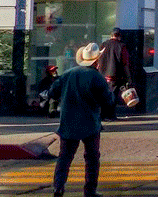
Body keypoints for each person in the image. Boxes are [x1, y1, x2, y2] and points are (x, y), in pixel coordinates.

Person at [49, 42, 114, 197]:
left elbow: (53, 92)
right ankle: (90, 191)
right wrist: (111, 91)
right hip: (90, 124)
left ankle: (58, 186)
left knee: (64, 157)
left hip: (68, 123)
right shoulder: (97, 77)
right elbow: (107, 101)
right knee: (92, 158)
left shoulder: (68, 74)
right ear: (97, 61)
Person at [96, 28, 131, 121]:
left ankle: (102, 114)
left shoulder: (103, 45)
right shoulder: (121, 46)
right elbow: (125, 63)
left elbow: (98, 59)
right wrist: (128, 78)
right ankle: (111, 115)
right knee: (112, 96)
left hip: (102, 74)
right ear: (119, 36)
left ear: (111, 35)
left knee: (103, 94)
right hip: (114, 75)